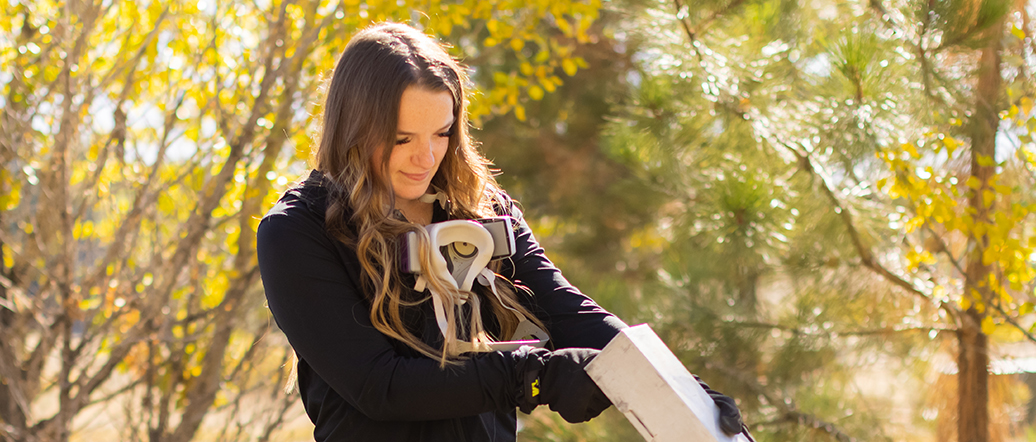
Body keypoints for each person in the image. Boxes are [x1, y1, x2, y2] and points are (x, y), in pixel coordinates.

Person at [257, 22, 753, 441]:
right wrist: (530, 375)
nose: (426, 157)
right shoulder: (298, 231)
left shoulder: (479, 207)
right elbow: (379, 385)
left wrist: (673, 380)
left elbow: (565, 309)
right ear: (354, 126)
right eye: (402, 137)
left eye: (442, 133)